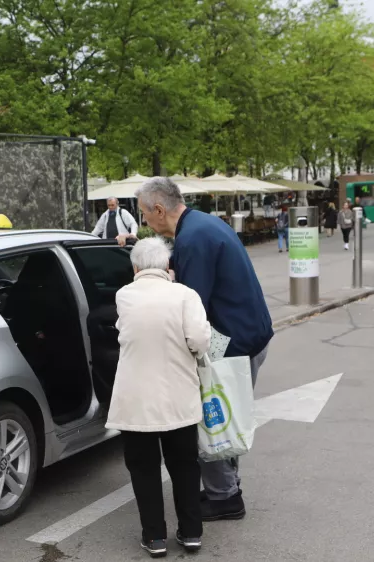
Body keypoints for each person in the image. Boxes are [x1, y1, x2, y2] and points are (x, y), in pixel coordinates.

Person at [122, 177, 273, 522]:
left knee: (210, 417)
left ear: (159, 209)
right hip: (249, 335)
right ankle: (227, 486)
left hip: (230, 343)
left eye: (145, 214)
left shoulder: (192, 240)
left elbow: (190, 307)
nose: (145, 221)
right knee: (225, 415)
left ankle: (225, 497)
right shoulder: (202, 225)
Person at [107, 237, 210, 558]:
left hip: (136, 399)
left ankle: (154, 538)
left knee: (143, 468)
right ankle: (191, 532)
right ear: (167, 265)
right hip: (178, 395)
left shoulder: (124, 295)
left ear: (135, 267)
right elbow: (199, 339)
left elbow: (123, 329)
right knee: (185, 465)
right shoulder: (185, 295)